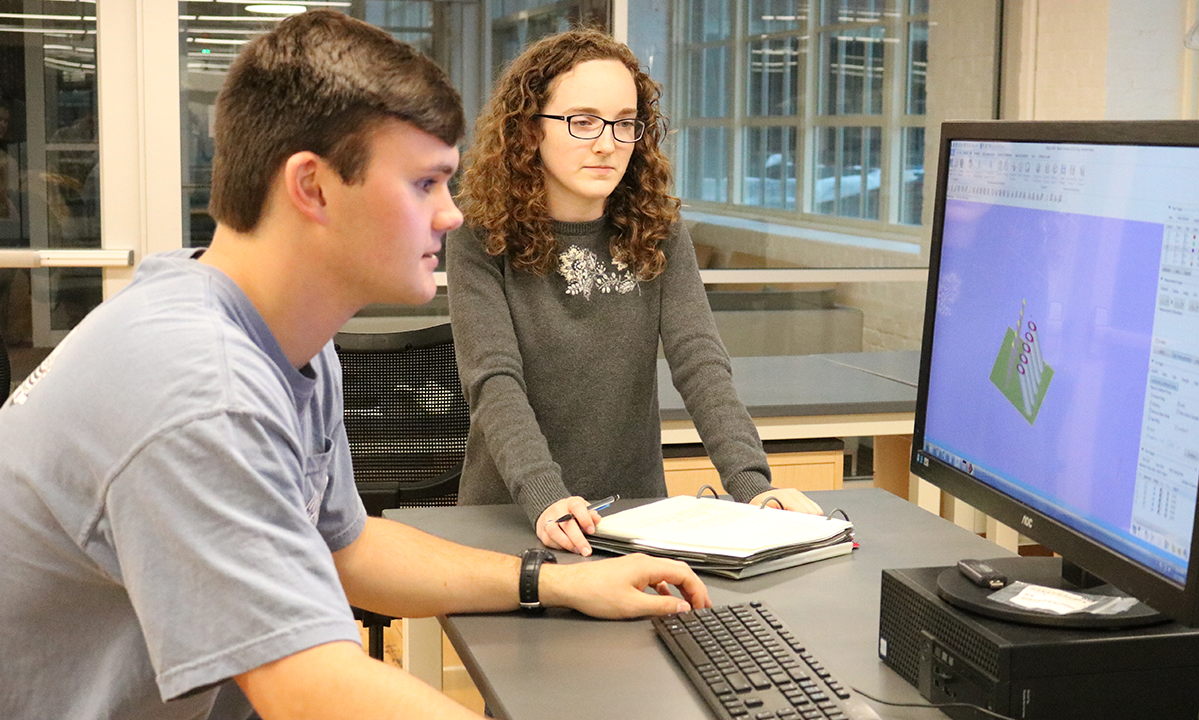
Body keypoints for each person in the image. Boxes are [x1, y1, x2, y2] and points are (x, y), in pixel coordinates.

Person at [0, 11, 709, 720]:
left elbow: (350, 551)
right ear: (312, 188)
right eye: (423, 184)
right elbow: (305, 691)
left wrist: (555, 583)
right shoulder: (202, 390)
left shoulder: (277, 339)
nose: (451, 215)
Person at [447, 28, 824, 557]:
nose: (607, 143)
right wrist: (547, 497)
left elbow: (700, 363)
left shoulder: (658, 231)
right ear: (530, 130)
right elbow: (494, 381)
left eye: (625, 124)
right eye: (582, 122)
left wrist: (753, 487)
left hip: (633, 519)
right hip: (512, 518)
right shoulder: (481, 239)